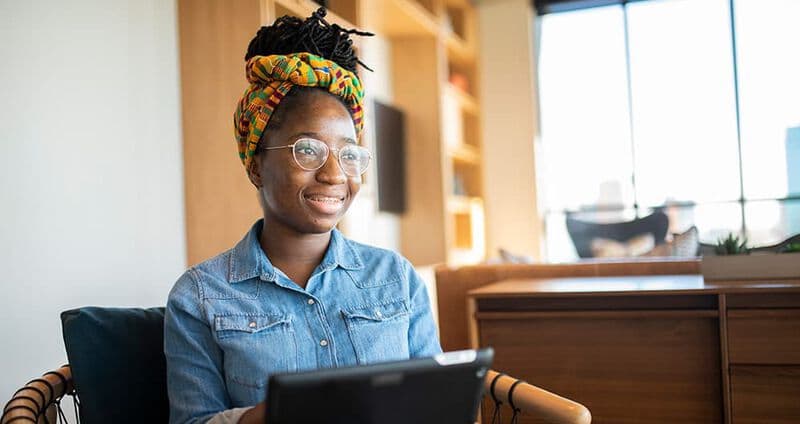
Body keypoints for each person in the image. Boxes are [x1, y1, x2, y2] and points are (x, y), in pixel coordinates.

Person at [164, 8, 442, 424]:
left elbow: (438, 403)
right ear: (256, 165)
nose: (334, 174)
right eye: (307, 150)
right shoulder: (199, 297)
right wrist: (282, 413)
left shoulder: (397, 278)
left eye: (349, 154)